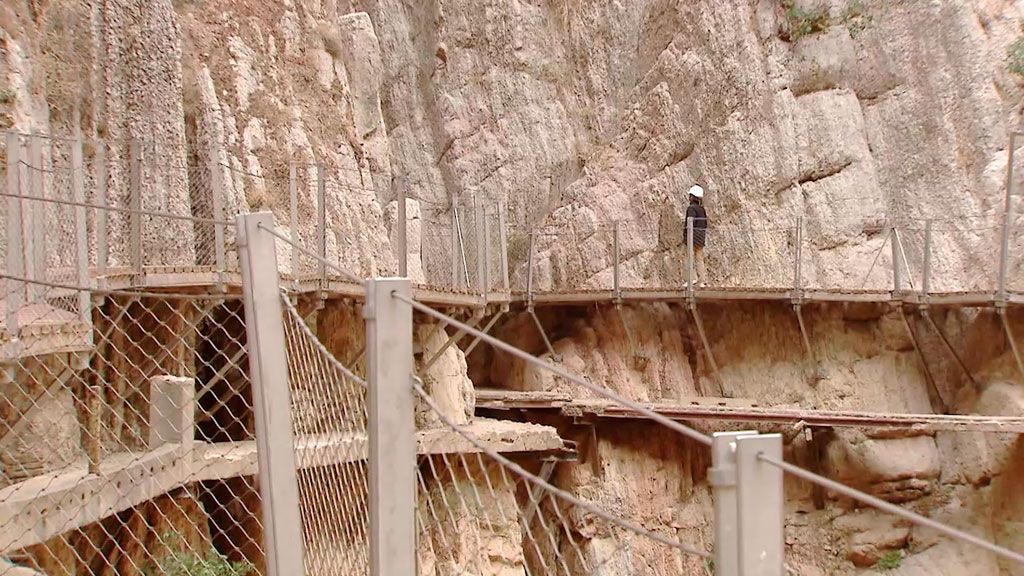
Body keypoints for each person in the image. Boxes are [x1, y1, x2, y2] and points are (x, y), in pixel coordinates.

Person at [685, 184, 708, 287]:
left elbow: (690, 223)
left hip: (692, 236)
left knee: (689, 258)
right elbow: (705, 223)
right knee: (699, 258)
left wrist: (686, 236)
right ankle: (701, 280)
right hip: (701, 236)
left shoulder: (691, 208)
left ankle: (691, 279)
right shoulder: (702, 209)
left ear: (692, 196)